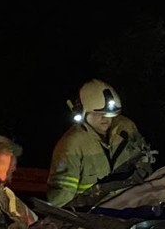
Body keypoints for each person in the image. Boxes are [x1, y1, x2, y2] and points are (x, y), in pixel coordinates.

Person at [46, 78, 155, 207]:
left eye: (110, 114)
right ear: (82, 112)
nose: (106, 118)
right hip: (92, 218)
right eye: (99, 114)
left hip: (130, 210)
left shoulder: (126, 129)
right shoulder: (72, 144)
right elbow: (62, 197)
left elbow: (144, 168)